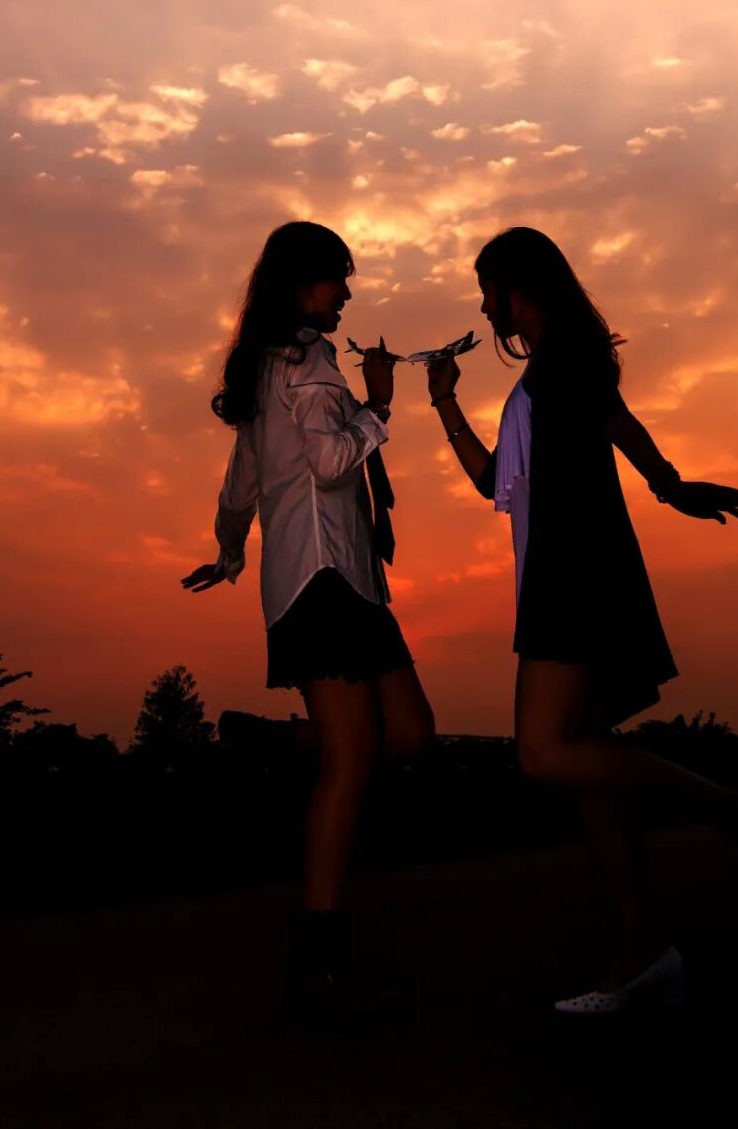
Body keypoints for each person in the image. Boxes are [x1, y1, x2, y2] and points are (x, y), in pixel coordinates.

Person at [425, 226, 738, 1015]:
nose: (483, 305)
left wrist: (669, 485)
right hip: (557, 573)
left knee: (543, 753)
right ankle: (642, 956)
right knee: (583, 764)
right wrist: (444, 401)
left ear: (518, 285)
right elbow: (496, 482)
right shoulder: (546, 370)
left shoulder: (566, 359)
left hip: (575, 572)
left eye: (487, 288)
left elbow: (613, 418)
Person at [181, 221, 435, 1024]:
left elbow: (243, 479)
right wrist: (380, 405)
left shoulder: (269, 365)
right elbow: (328, 464)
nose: (347, 294)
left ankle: (278, 740)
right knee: (352, 761)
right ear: (302, 285)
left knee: (411, 734)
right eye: (338, 280)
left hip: (345, 583)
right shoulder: (307, 362)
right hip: (323, 583)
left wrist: (228, 550)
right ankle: (318, 964)